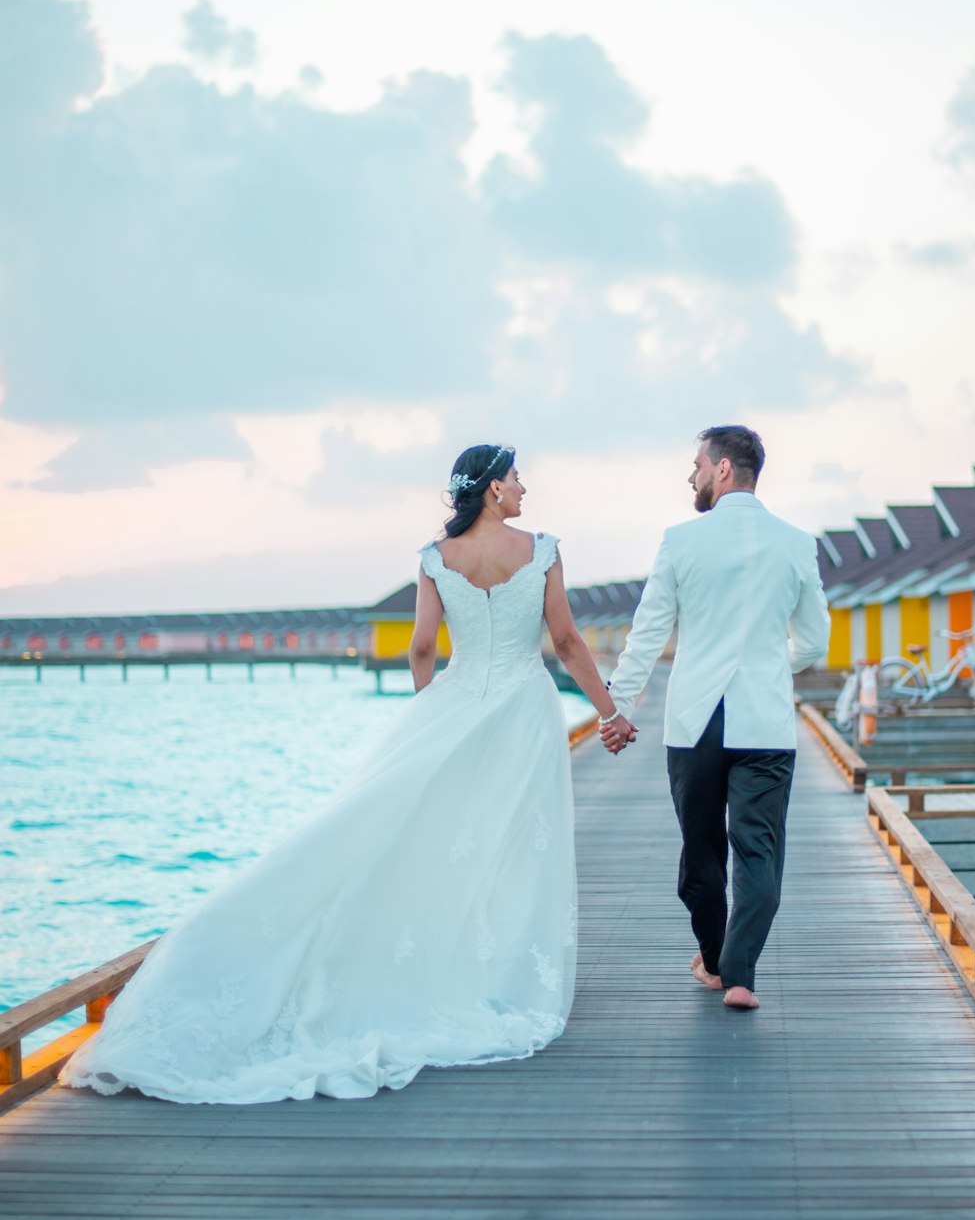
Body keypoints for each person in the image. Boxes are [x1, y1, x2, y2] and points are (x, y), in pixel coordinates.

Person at [60, 444, 624, 1103]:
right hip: (524, 711)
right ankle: (494, 974)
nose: (526, 486)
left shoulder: (436, 559)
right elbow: (566, 642)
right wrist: (609, 712)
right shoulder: (544, 550)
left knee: (433, 837)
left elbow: (420, 647)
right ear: (495, 489)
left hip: (457, 704)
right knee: (513, 844)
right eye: (517, 477)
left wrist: (430, 714)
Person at [601, 426, 830, 1012]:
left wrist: (617, 709)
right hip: (766, 725)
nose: (692, 475)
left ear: (723, 469)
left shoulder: (680, 541)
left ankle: (714, 957)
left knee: (701, 854)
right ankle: (740, 975)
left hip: (695, 724)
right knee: (759, 852)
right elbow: (813, 643)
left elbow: (647, 636)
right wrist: (767, 664)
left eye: (697, 464)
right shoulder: (797, 544)